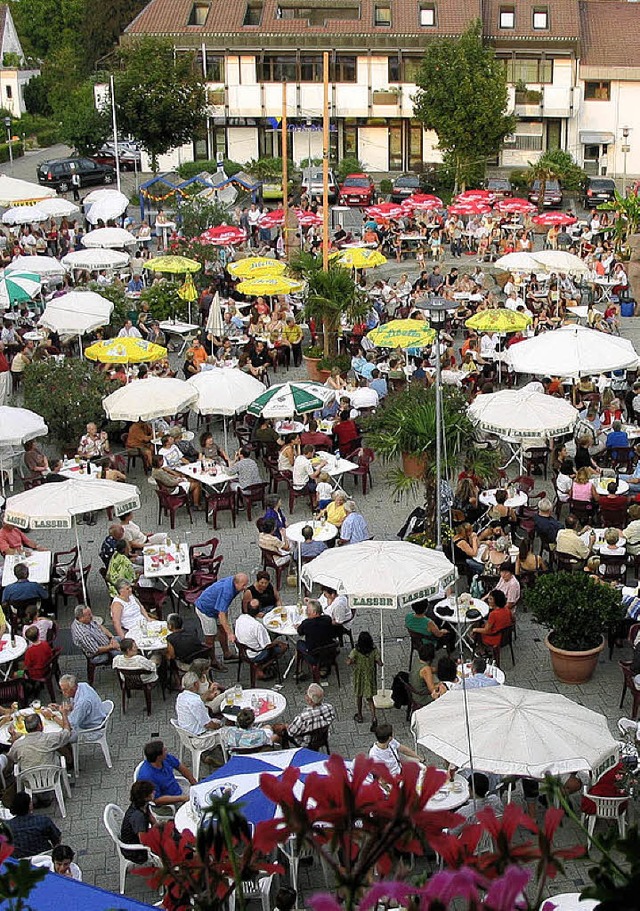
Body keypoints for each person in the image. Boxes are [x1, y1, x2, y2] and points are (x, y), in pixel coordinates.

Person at [195, 573, 248, 658]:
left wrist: (226, 628)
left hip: (218, 607)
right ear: (236, 583)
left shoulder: (234, 581)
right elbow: (221, 614)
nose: (245, 587)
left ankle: (226, 653)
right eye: (243, 585)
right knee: (210, 637)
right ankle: (212, 661)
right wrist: (230, 633)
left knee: (223, 629)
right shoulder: (227, 592)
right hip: (206, 610)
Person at [175, 672, 222, 760]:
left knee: (215, 721)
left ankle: (208, 753)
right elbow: (208, 724)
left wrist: (209, 691)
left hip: (186, 735)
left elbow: (198, 701)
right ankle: (226, 754)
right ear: (196, 684)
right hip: (199, 739)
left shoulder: (181, 696)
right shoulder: (195, 702)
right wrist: (219, 727)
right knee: (224, 728)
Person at [136, 739, 196, 807]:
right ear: (158, 757)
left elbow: (180, 767)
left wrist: (194, 782)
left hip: (177, 788)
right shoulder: (147, 777)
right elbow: (157, 800)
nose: (166, 750)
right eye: (164, 750)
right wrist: (182, 798)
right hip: (168, 803)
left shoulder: (165, 758)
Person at [234, 601, 288, 676]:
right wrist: (277, 643)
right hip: (254, 655)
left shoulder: (240, 618)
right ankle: (261, 667)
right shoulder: (258, 626)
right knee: (284, 646)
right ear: (259, 611)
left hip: (242, 651)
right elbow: (267, 646)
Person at [277, 683, 336, 748]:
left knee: (283, 730)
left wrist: (286, 726)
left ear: (310, 700)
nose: (305, 695)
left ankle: (286, 749)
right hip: (323, 737)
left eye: (307, 694)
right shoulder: (329, 707)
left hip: (306, 742)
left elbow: (291, 732)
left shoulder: (303, 717)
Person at [7, 791, 61, 859]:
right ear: (29, 806)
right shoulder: (43, 821)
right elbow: (57, 838)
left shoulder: (7, 826)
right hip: (44, 857)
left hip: (21, 862)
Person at [348, 631, 381, 729]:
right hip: (370, 676)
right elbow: (380, 662)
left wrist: (353, 661)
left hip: (359, 676)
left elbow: (349, 661)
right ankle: (374, 717)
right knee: (370, 698)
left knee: (359, 696)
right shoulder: (374, 650)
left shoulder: (356, 651)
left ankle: (359, 715)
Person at [120, 781, 156, 863]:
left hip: (139, 838)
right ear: (146, 797)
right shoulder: (138, 817)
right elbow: (144, 841)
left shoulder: (142, 805)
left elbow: (152, 819)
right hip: (136, 852)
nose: (154, 792)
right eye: (151, 792)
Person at [295, 599, 336, 670]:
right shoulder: (327, 619)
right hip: (329, 651)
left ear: (314, 612)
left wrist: (299, 626)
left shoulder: (306, 623)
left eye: (308, 610)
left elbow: (300, 632)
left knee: (299, 643)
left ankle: (299, 670)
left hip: (314, 654)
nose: (306, 612)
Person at [408, 642, 438, 706]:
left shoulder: (418, 661)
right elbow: (432, 690)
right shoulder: (426, 669)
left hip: (415, 693)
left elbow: (432, 669)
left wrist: (440, 668)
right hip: (422, 698)